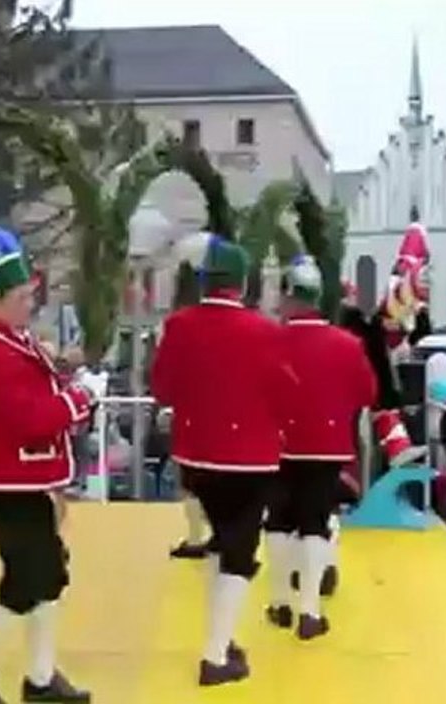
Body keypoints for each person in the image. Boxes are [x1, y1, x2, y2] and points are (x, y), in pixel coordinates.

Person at [0, 230, 95, 704]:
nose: (29, 304)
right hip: (10, 485)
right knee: (25, 579)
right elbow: (33, 418)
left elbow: (40, 390)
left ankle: (40, 675)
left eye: (30, 294)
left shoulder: (16, 341)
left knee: (48, 575)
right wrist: (81, 396)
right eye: (20, 297)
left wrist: (67, 372)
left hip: (33, 480)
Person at [151, 232, 297, 686]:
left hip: (195, 455)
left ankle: (224, 635)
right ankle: (216, 655)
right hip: (248, 459)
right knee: (239, 555)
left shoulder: (179, 325)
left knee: (220, 543)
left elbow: (163, 389)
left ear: (204, 281)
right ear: (242, 283)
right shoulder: (265, 332)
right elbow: (286, 391)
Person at [263, 257, 378, 640]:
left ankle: (280, 602)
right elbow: (368, 393)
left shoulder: (269, 339)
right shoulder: (348, 344)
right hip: (326, 445)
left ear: (290, 296)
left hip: (277, 443)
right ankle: (309, 611)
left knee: (278, 519)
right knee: (315, 522)